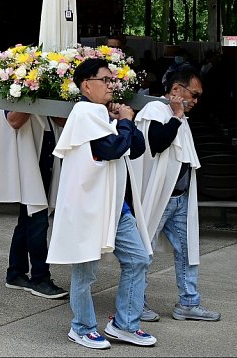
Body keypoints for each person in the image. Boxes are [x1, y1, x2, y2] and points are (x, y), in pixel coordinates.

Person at [48, 57, 154, 350]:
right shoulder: (84, 112)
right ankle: (81, 327)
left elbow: (137, 148)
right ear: (86, 86)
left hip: (114, 205)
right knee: (86, 273)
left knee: (139, 259)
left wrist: (124, 123)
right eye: (105, 80)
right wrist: (124, 122)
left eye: (112, 80)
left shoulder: (102, 114)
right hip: (88, 206)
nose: (111, 85)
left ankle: (124, 324)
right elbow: (111, 149)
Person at [133, 68, 220, 323]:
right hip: (159, 195)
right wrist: (177, 115)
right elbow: (156, 143)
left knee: (187, 250)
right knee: (143, 251)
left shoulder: (178, 116)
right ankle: (136, 304)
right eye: (193, 94)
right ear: (175, 91)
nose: (195, 101)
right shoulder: (154, 111)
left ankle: (189, 303)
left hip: (179, 196)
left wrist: (179, 115)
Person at [0, 110, 69, 299]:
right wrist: (33, 90)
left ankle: (16, 273)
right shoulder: (16, 83)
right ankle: (40, 278)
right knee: (38, 219)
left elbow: (60, 119)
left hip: (47, 147)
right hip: (30, 155)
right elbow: (14, 120)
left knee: (28, 218)